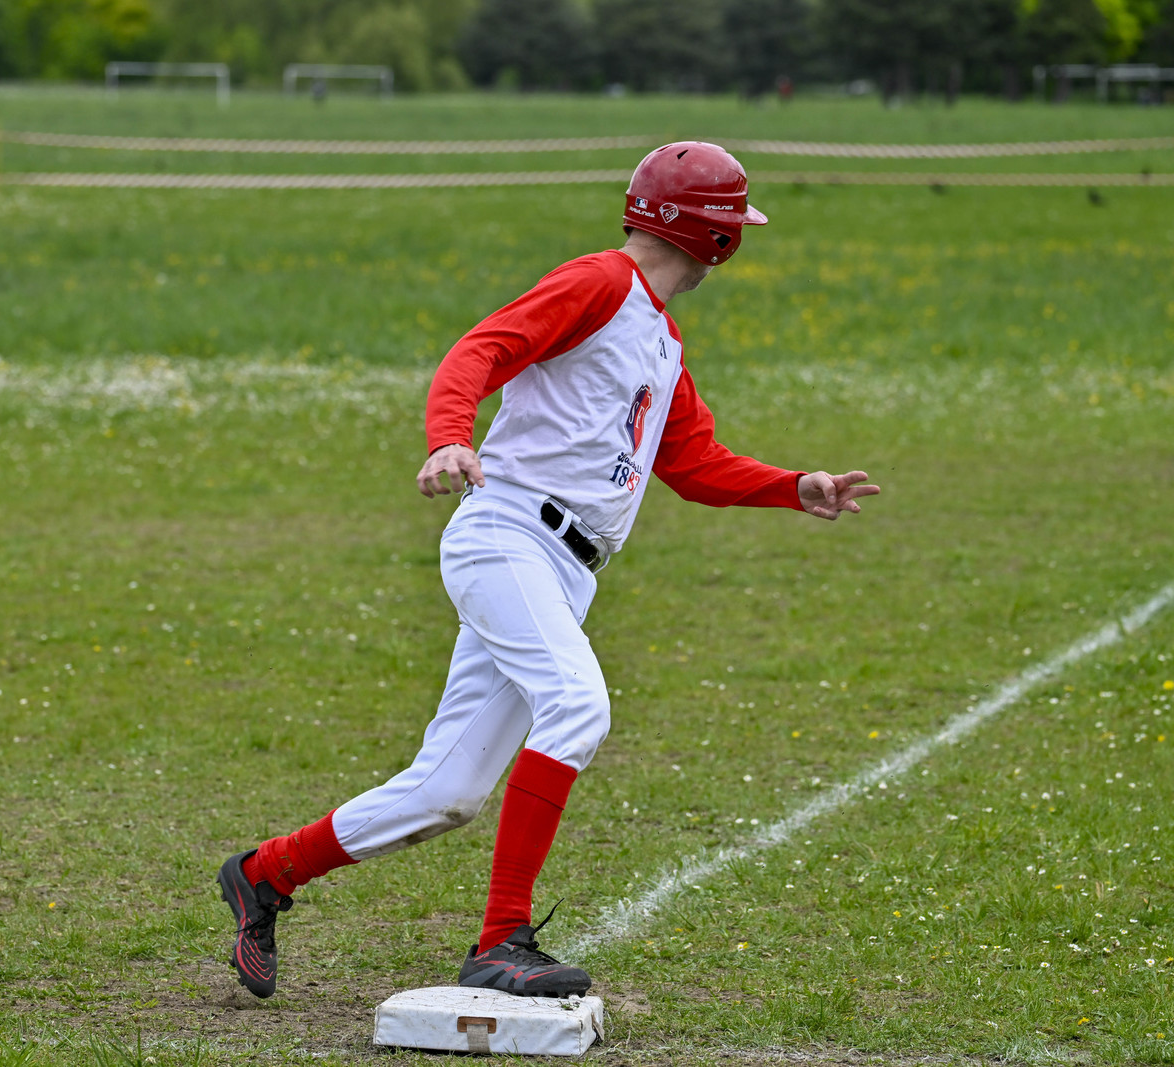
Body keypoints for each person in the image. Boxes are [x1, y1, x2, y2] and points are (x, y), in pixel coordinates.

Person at [217, 142, 879, 998]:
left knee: (446, 793)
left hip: (561, 567)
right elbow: (480, 350)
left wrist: (797, 487)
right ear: (716, 234)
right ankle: (502, 940)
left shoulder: (662, 338)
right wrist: (451, 433)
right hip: (509, 537)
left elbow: (694, 463)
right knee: (577, 703)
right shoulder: (600, 283)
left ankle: (264, 874)